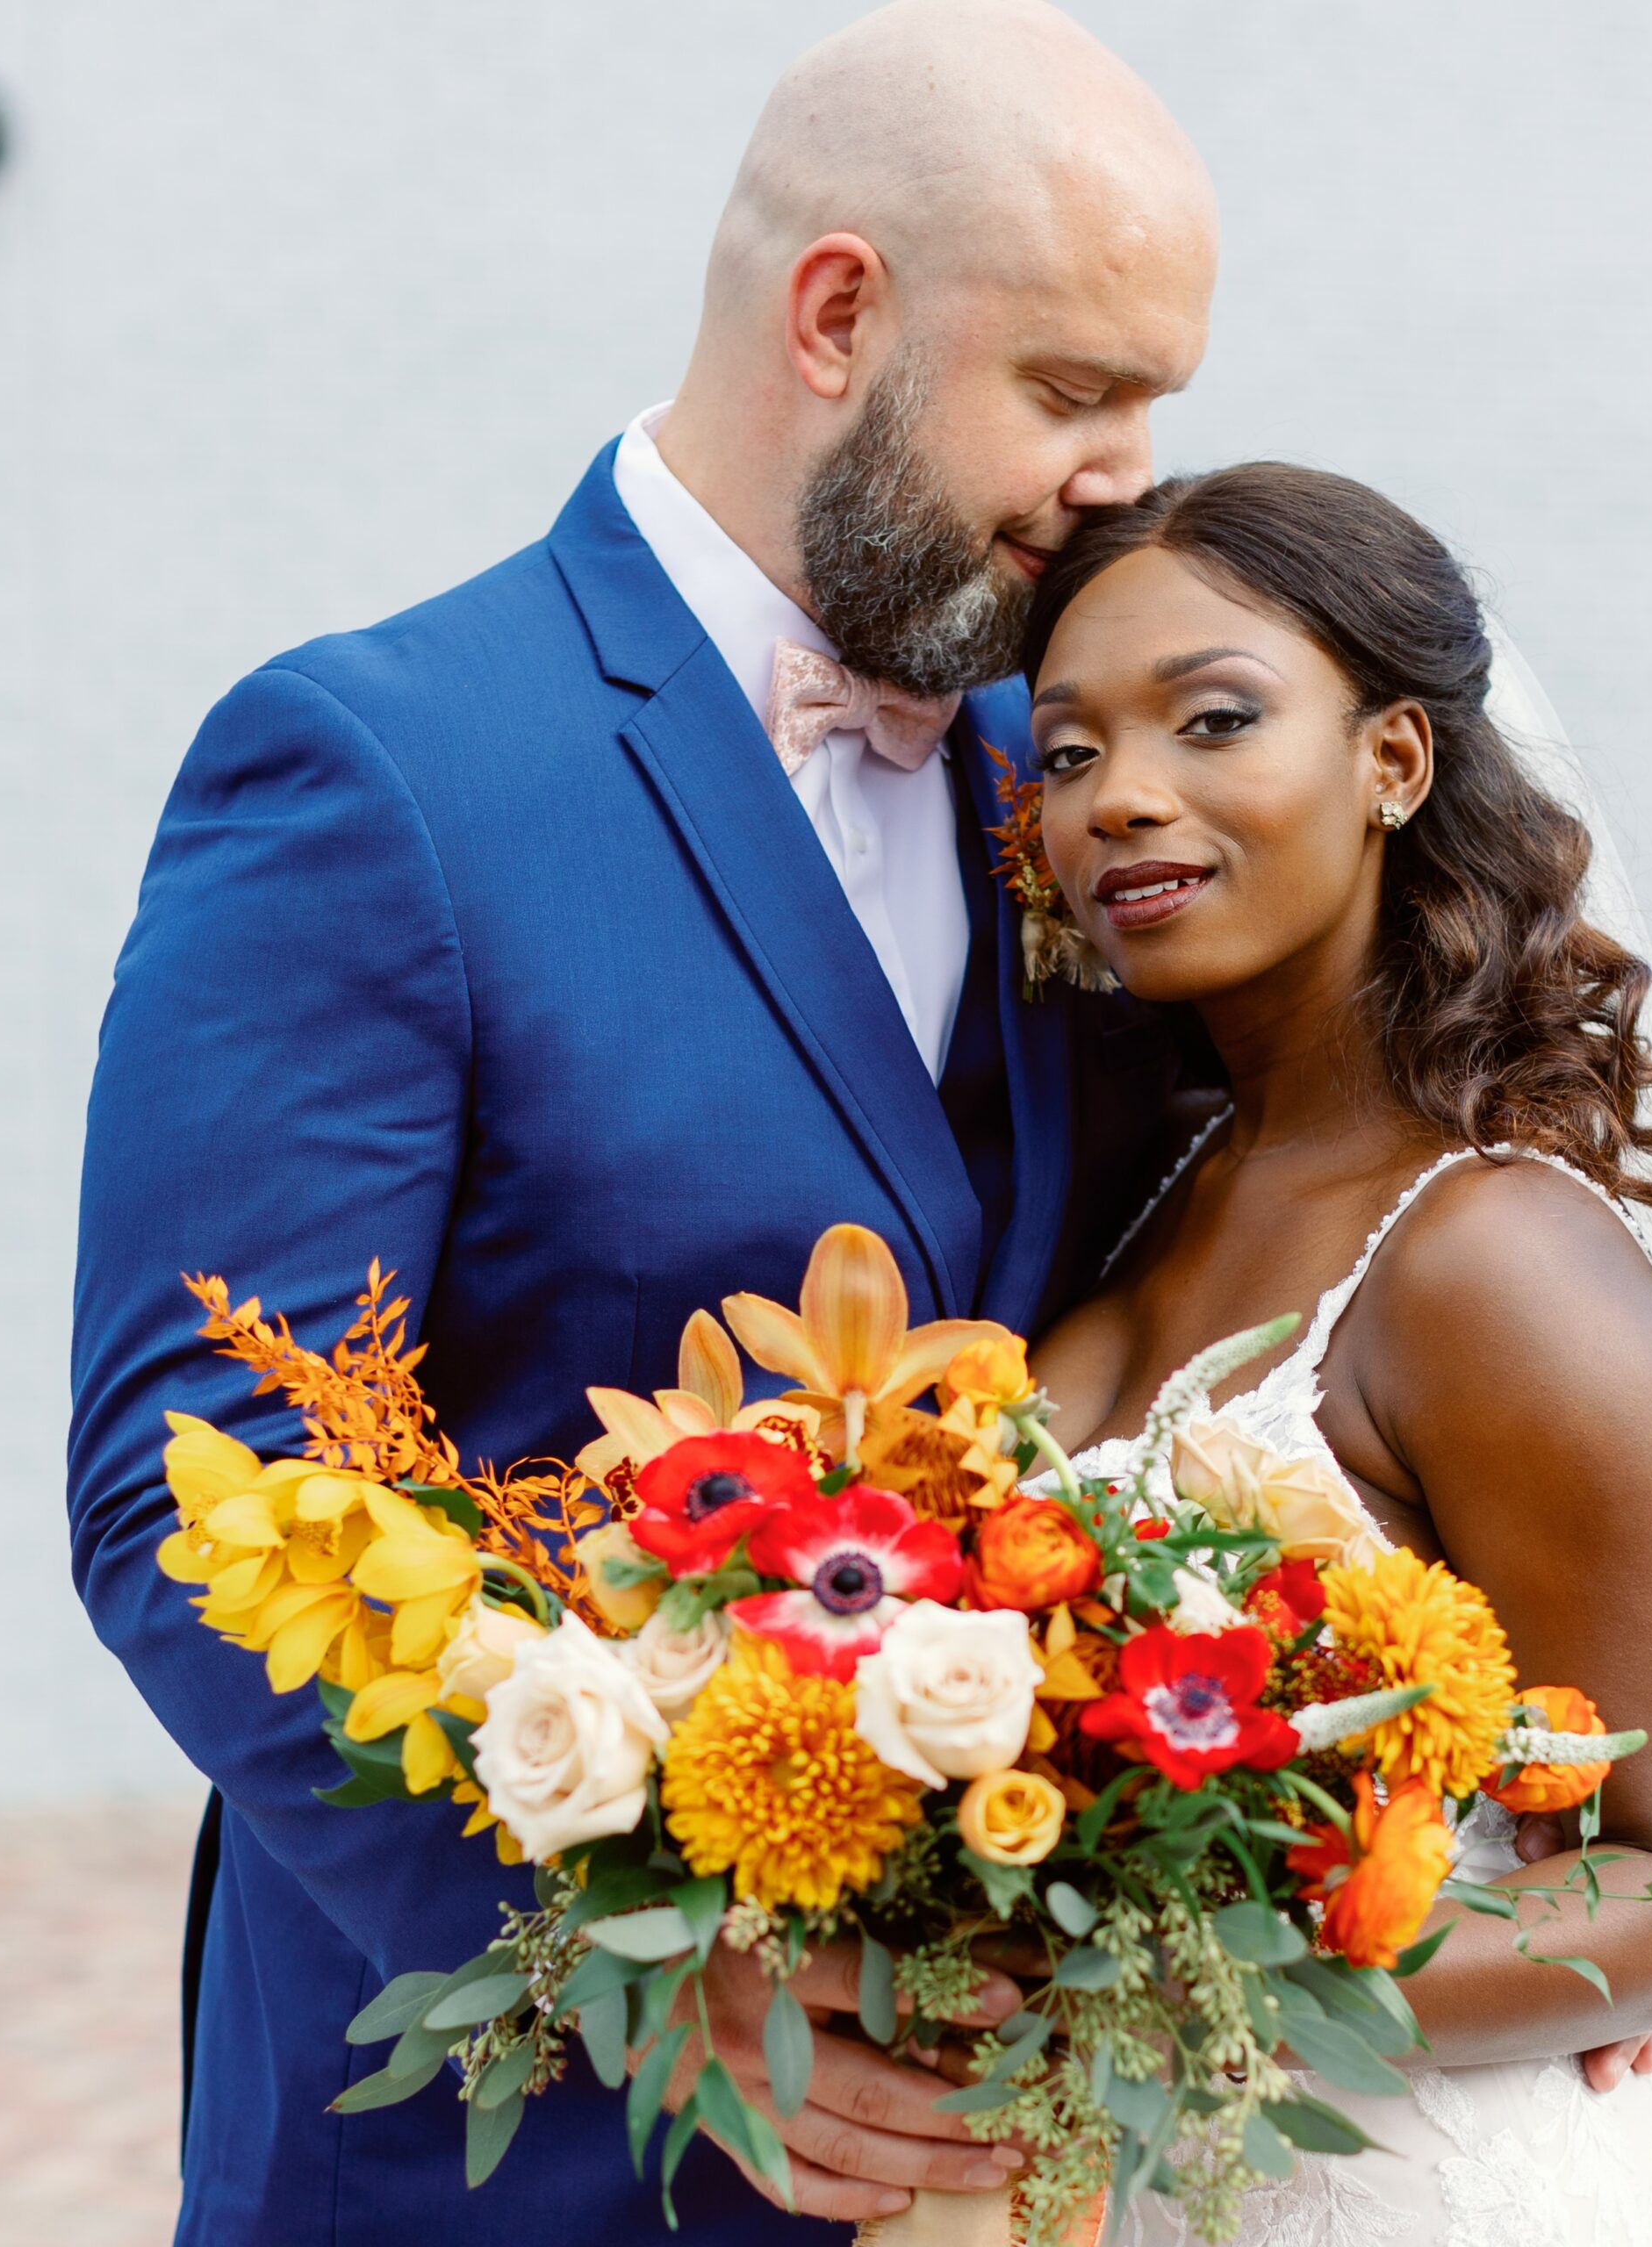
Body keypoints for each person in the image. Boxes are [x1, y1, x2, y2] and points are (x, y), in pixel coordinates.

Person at [69, 4, 1219, 2241]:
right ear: (837, 312)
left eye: (1155, 398)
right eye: (1073, 390)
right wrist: (640, 1972)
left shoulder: (1076, 771)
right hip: (496, 2155)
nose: (1126, 474)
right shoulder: (377, 768)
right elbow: (189, 1486)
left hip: (1014, 2150)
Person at [1026, 463, 1652, 2242]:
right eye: (1065, 750)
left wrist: (1145, 1976)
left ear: (1391, 758)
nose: (1119, 797)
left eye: (1210, 718)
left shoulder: (1489, 1255)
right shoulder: (1155, 1174)